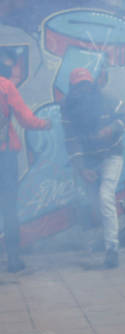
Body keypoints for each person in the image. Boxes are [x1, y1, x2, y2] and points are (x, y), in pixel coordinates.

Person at [61, 67, 125, 268]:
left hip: (112, 155)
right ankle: (105, 240)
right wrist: (82, 168)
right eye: (78, 86)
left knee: (105, 196)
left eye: (86, 85)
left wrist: (111, 128)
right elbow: (71, 140)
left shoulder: (107, 99)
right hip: (88, 162)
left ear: (91, 85)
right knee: (96, 204)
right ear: (72, 88)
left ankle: (112, 249)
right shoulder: (67, 108)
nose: (83, 90)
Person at [0, 49, 50, 272]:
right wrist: (45, 124)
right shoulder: (5, 86)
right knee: (9, 206)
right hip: (5, 154)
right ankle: (13, 258)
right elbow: (26, 119)